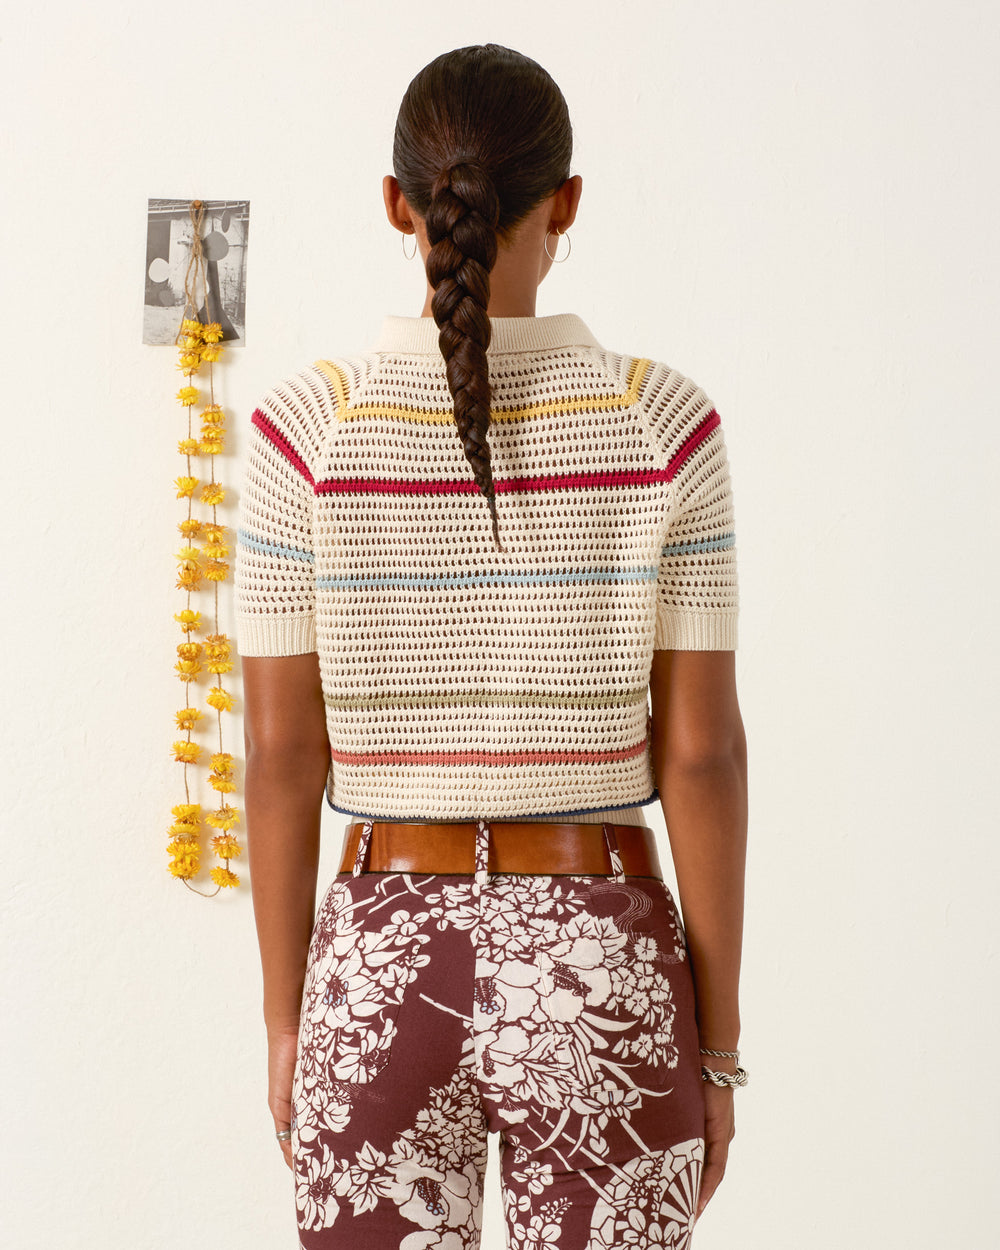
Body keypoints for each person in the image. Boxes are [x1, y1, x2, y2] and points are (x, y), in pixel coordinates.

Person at [235, 43, 748, 1250]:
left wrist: (286, 1019)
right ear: (565, 201)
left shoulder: (302, 430)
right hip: (600, 959)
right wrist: (717, 1045)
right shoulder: (665, 424)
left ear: (397, 202)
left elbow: (279, 755)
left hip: (377, 955)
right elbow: (701, 756)